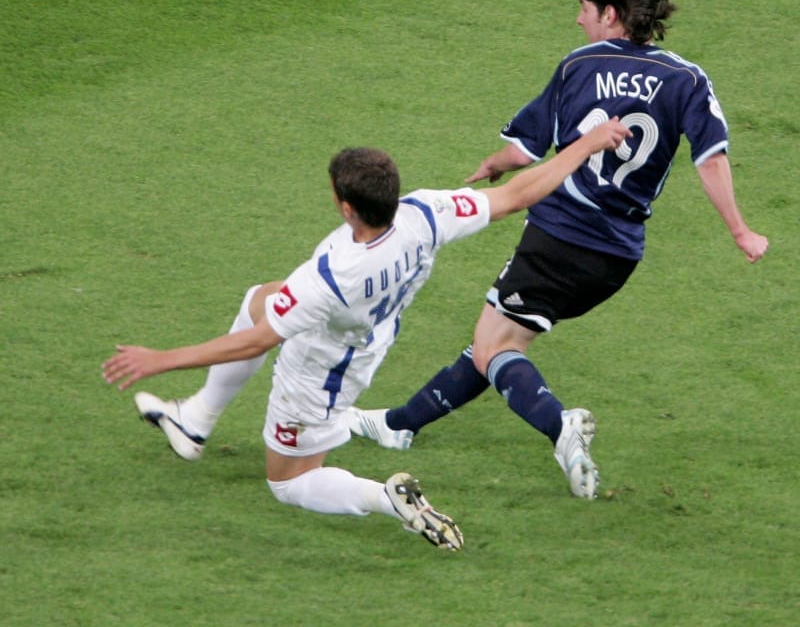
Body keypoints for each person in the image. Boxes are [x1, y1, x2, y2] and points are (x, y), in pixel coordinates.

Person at [346, 0, 769, 500]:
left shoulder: (579, 65)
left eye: (585, 8)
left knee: (495, 348)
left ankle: (560, 428)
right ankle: (401, 424)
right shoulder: (686, 78)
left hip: (560, 237)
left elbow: (525, 149)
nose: (578, 19)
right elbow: (711, 158)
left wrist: (493, 164)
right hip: (618, 258)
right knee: (498, 335)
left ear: (610, 14)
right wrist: (740, 231)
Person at [102, 123, 630, 550]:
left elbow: (255, 342)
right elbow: (515, 194)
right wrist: (585, 144)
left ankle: (387, 499)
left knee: (289, 482)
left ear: (347, 208)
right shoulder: (424, 214)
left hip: (319, 371)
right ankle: (195, 420)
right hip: (368, 334)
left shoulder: (330, 276)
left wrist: (161, 359)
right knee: (261, 296)